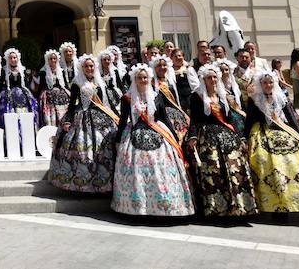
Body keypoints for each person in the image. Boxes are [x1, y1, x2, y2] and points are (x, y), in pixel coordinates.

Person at [110, 65, 194, 217]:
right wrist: (118, 140)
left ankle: (166, 206)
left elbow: (164, 117)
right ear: (134, 79)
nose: (143, 80)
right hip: (134, 134)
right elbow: (123, 121)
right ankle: (135, 206)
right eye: (140, 78)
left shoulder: (156, 95)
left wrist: (174, 137)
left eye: (145, 77)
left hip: (158, 130)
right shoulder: (127, 98)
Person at [184, 64, 258, 217]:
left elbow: (230, 118)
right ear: (203, 80)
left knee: (236, 167)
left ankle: (239, 207)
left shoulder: (223, 95)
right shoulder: (197, 96)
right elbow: (194, 120)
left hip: (226, 135)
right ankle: (217, 209)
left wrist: (241, 135)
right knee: (214, 169)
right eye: (209, 78)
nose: (212, 80)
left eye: (214, 77)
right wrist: (192, 137)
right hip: (207, 135)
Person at [244, 70, 299, 213]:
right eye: (265, 83)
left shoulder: (281, 98)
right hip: (262, 131)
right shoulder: (254, 99)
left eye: (271, 82)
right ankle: (273, 203)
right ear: (260, 84)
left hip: (282, 129)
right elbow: (249, 121)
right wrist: (244, 139)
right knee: (263, 159)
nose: (268, 85)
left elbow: (292, 120)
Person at [48, 54, 119, 193]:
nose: (89, 68)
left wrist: (117, 117)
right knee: (80, 146)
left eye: (91, 66)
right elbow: (72, 104)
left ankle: (103, 182)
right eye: (86, 66)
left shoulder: (100, 82)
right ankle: (81, 181)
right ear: (82, 68)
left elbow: (107, 103)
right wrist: (68, 120)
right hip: (82, 116)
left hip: (101, 116)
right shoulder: (77, 82)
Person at [0, 48, 37, 131]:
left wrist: (31, 96)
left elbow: (26, 85)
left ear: (18, 58)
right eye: (11, 58)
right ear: (8, 59)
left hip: (22, 95)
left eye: (15, 57)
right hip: (8, 94)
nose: (13, 60)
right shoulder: (4, 70)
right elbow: (0, 84)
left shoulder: (22, 69)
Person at [149, 54, 189, 143]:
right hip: (162, 116)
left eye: (164, 65)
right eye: (159, 65)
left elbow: (176, 99)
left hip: (176, 113)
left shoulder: (169, 81)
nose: (162, 68)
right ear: (154, 68)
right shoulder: (151, 83)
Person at [35, 50, 70, 128]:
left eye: (54, 58)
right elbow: (41, 86)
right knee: (50, 119)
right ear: (47, 60)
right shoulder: (43, 72)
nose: (53, 60)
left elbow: (65, 85)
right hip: (48, 97)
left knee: (62, 117)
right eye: (51, 59)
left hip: (62, 97)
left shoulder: (61, 71)